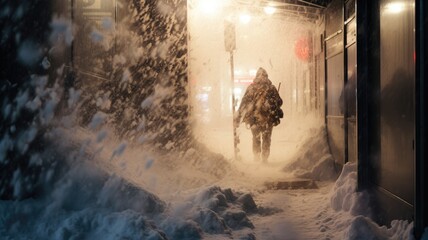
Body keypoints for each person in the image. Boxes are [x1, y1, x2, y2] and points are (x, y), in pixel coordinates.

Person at [234, 67, 283, 162]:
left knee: (256, 138)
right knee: (266, 138)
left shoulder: (251, 88)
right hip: (268, 119)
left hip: (254, 119)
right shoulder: (271, 88)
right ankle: (265, 158)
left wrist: (238, 116)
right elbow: (279, 102)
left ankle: (256, 157)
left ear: (256, 76)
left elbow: (244, 103)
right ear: (267, 76)